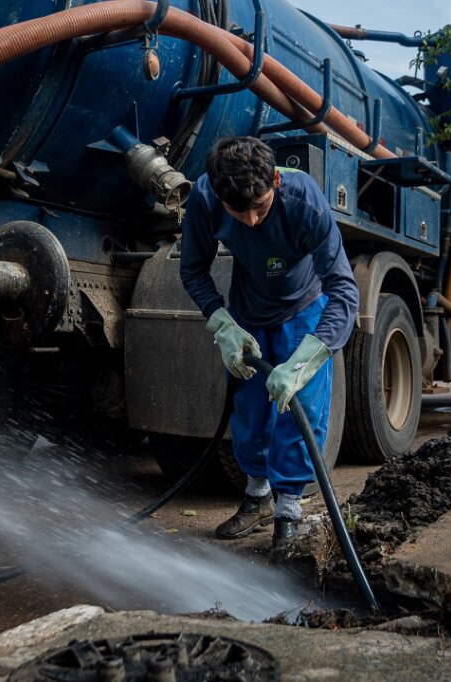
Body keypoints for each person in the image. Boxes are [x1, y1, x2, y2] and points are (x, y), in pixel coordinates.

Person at [179, 136, 358, 561]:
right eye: (238, 212)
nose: (253, 220)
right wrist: (220, 322)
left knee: (298, 411)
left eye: (260, 206)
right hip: (247, 311)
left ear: (275, 180)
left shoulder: (304, 202)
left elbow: (344, 289)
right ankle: (258, 496)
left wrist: (307, 358)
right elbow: (192, 269)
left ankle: (289, 510)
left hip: (303, 309)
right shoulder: (205, 197)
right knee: (251, 410)